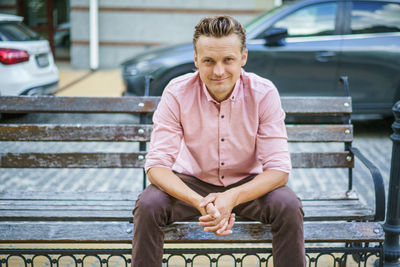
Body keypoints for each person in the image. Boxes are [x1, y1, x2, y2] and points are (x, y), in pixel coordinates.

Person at [131, 15, 305, 267]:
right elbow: (156, 166)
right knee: (148, 204)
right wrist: (199, 202)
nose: (219, 71)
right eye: (209, 61)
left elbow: (278, 171)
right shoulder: (176, 92)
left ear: (243, 57)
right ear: (196, 59)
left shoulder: (264, 93)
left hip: (248, 185)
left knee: (288, 205)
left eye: (228, 60)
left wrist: (231, 197)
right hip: (192, 184)